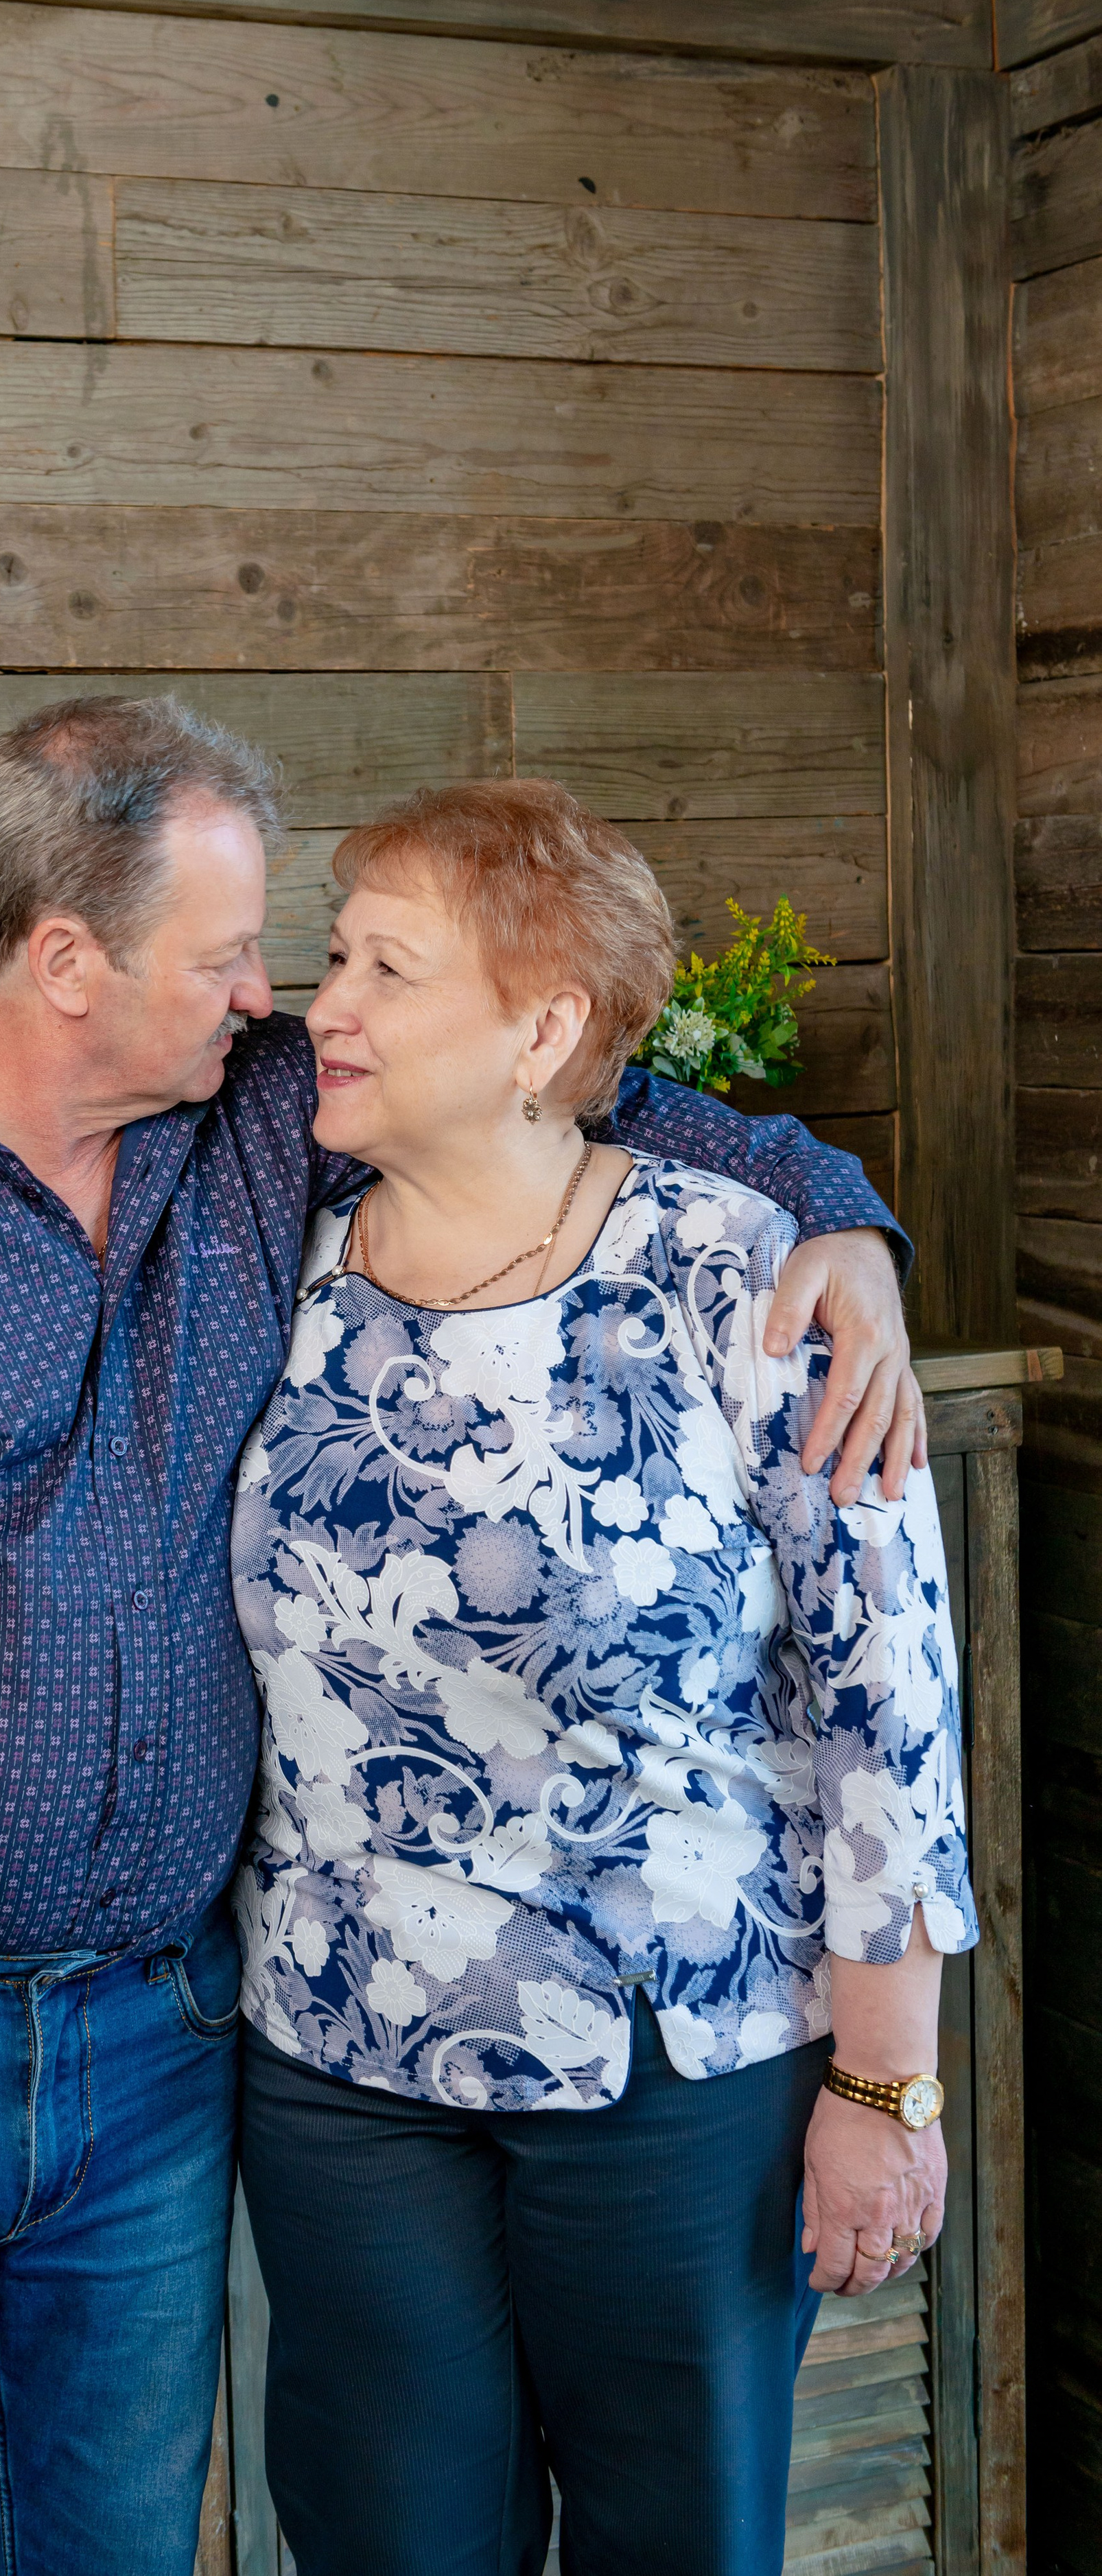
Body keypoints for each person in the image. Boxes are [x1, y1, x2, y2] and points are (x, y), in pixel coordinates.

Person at [0, 698, 924, 2576]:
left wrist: (845, 1217)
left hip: (163, 2037)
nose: (274, 1002)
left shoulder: (248, 1138)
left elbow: (591, 1090)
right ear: (66, 963)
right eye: (231, 958)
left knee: (123, 2552)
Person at [231, 779, 974, 2576]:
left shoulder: (750, 1278)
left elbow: (890, 1716)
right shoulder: (279, 1265)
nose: (321, 1006)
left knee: (674, 2543)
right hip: (344, 2066)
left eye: (383, 970)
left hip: (674, 2078)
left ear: (543, 1027)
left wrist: (887, 2093)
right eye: (337, 957)